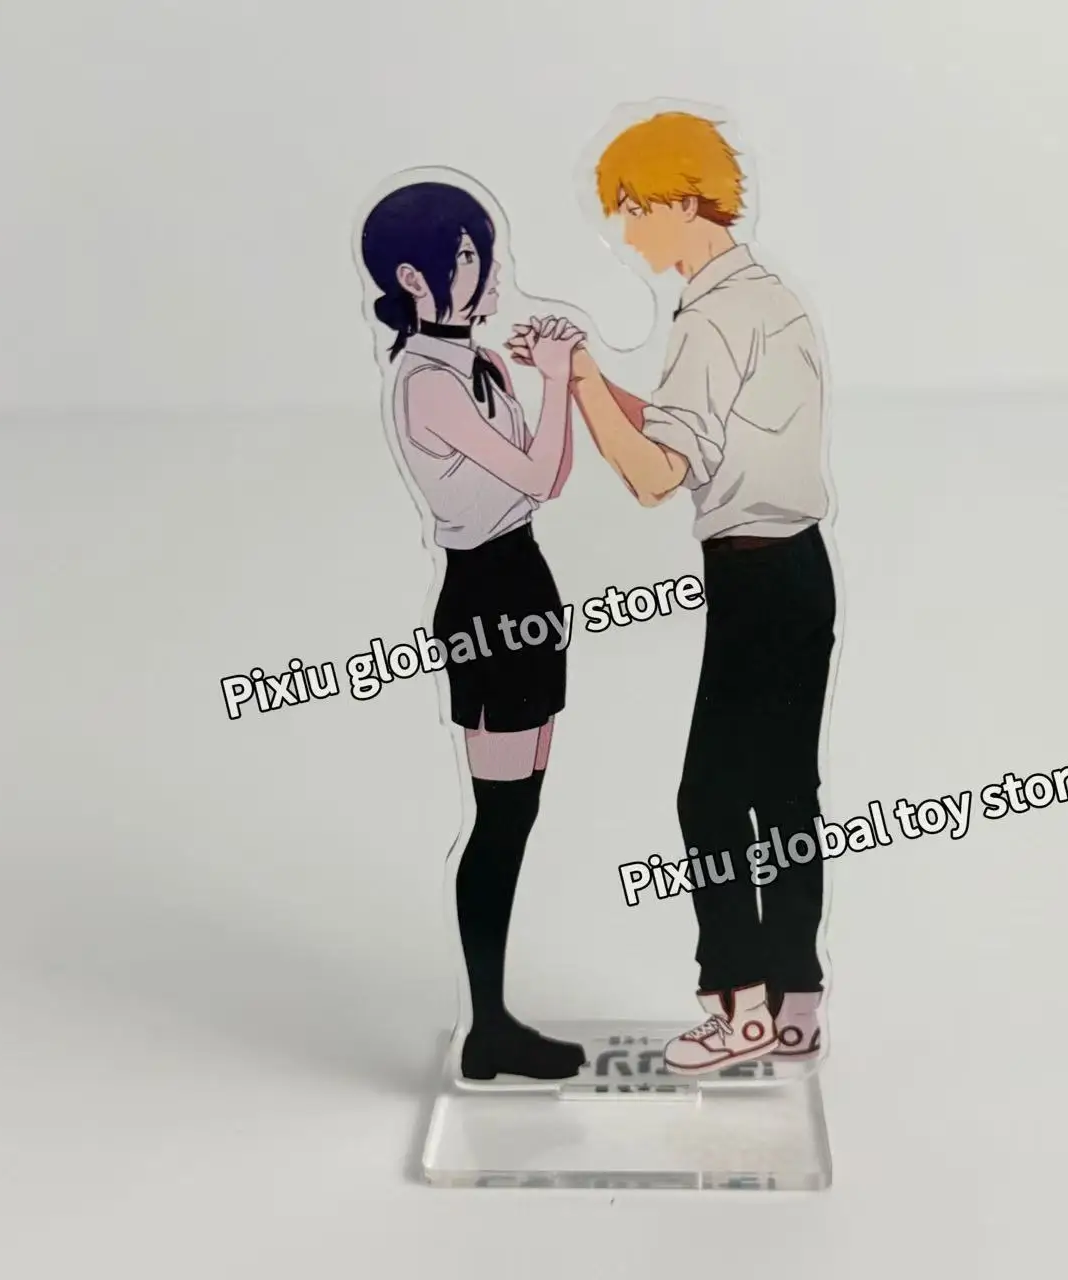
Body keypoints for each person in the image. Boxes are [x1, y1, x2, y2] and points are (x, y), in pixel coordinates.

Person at [509, 113, 837, 1076]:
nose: (625, 233)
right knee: (785, 794)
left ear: (685, 201)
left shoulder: (709, 318)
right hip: (801, 568)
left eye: (635, 210)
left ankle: (736, 1010)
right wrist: (592, 377)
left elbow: (657, 474)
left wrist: (575, 385)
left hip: (751, 575)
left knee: (710, 798)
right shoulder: (768, 299)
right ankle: (796, 1004)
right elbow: (700, 429)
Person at [359, 181, 588, 1081]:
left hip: (528, 580)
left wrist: (551, 383)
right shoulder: (425, 382)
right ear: (414, 279)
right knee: (497, 821)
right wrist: (559, 380)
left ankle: (496, 1021)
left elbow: (543, 478)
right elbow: (537, 477)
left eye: (485, 249)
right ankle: (487, 1025)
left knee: (520, 810)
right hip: (487, 597)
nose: (490, 269)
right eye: (467, 255)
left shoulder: (479, 361)